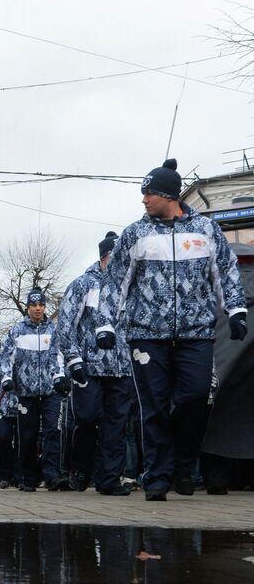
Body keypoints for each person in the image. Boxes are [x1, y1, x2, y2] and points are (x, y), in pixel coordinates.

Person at [96, 158, 247, 501]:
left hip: (196, 333)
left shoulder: (206, 231)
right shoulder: (135, 233)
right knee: (154, 407)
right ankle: (159, 477)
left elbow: (226, 271)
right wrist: (106, 324)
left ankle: (183, 462)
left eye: (149, 193)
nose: (144, 199)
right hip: (147, 334)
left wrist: (236, 311)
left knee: (195, 399)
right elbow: (115, 282)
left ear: (168, 195)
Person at [57, 232, 133, 495]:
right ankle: (79, 466)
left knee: (116, 424)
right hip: (89, 366)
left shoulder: (130, 286)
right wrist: (73, 359)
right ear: (104, 257)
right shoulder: (83, 285)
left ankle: (109, 479)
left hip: (122, 367)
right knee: (87, 419)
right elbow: (66, 324)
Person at [0, 287, 69, 491]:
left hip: (50, 391)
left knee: (53, 432)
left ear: (45, 306)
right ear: (28, 307)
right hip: (27, 393)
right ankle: (28, 477)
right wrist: (6, 378)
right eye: (33, 305)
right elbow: (5, 357)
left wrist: (60, 377)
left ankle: (52, 475)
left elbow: (58, 356)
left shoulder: (53, 330)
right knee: (27, 436)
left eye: (41, 305)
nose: (37, 309)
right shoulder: (18, 330)